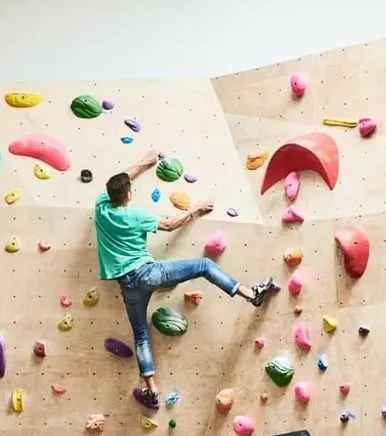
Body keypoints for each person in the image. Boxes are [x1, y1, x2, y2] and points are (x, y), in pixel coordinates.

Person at [96, 153, 278, 408]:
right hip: (148, 273)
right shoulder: (135, 215)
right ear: (129, 193)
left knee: (141, 334)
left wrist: (145, 163)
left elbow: (123, 178)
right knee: (204, 266)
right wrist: (195, 209)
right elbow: (170, 224)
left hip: (127, 286)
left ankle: (152, 390)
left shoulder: (101, 207)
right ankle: (251, 294)